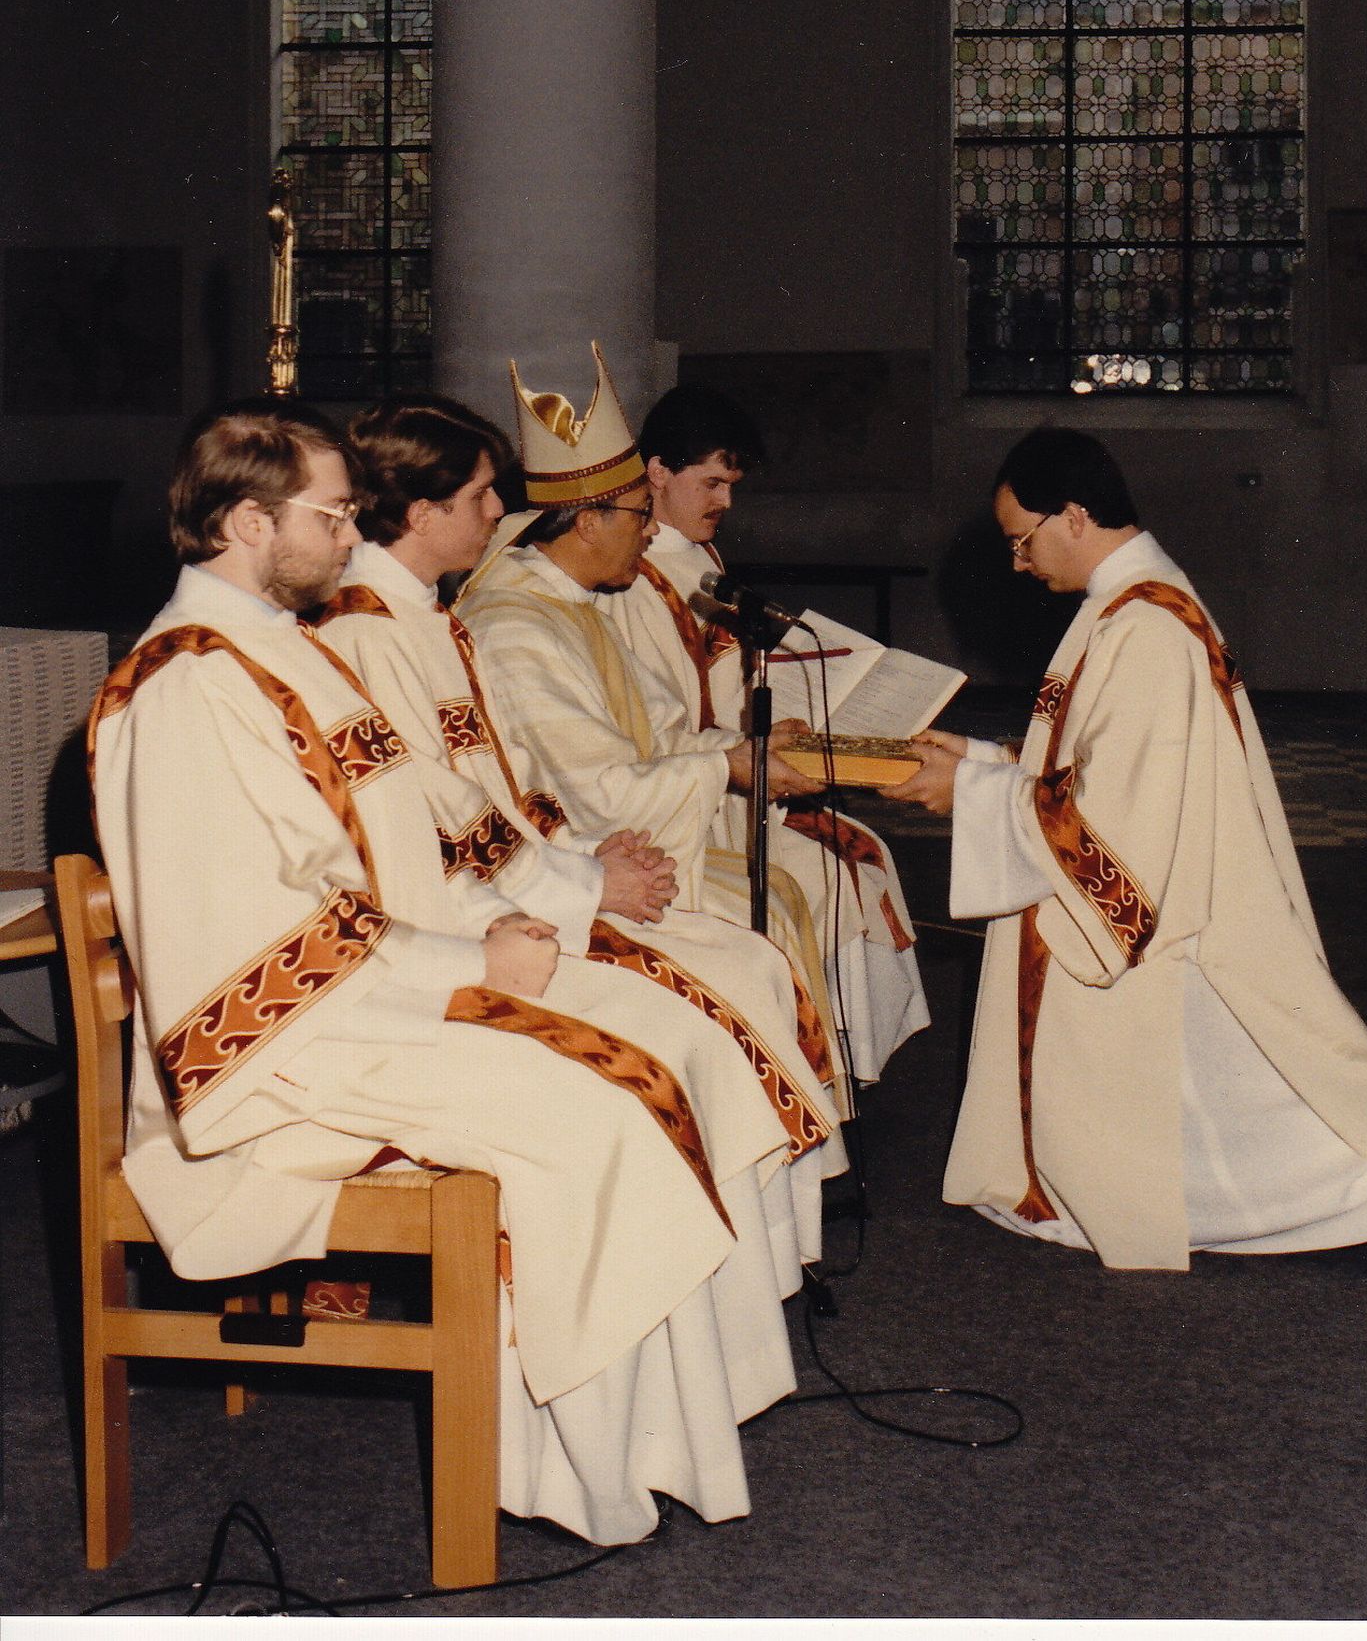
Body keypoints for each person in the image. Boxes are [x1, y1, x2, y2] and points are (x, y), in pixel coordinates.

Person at [89, 399, 805, 1544]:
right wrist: (466, 956)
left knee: (647, 1051)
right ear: (243, 522)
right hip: (276, 1058)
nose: (348, 532)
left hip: (364, 999)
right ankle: (575, 1475)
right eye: (327, 515)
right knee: (598, 1109)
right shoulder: (185, 686)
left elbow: (396, 854)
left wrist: (491, 932)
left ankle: (657, 1439)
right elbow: (254, 933)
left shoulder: (280, 649)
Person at [884, 426, 1367, 1268]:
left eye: (1021, 539)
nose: (1017, 562)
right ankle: (1361, 1193)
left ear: (1073, 515)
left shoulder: (1146, 625)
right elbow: (1091, 769)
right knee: (1225, 1081)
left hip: (1166, 913)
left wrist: (971, 797)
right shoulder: (1124, 606)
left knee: (1228, 1077)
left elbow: (1113, 813)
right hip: (1176, 886)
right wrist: (979, 761)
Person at [321, 389, 834, 1283]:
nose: (503, 513)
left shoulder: (432, 619)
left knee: (745, 964)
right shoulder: (372, 635)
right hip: (458, 933)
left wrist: (587, 863)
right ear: (421, 511)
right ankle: (699, 1283)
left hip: (526, 884)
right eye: (483, 495)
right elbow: (433, 834)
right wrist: (585, 884)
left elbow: (509, 789)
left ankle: (753, 1278)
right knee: (703, 1001)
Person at [452, 345, 849, 1235]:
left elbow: (652, 738)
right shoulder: (518, 625)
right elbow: (596, 794)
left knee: (774, 910)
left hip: (618, 843)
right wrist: (730, 765)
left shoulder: (580, 598)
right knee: (760, 934)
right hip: (575, 869)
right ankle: (749, 1207)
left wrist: (735, 749)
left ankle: (773, 1204)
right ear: (587, 519)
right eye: (638, 514)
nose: (654, 534)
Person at [600, 382, 928, 1086]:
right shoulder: (632, 578)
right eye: (711, 481)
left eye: (732, 484)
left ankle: (843, 1068)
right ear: (656, 470)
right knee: (833, 873)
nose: (725, 500)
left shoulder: (696, 557)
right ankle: (817, 1071)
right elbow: (658, 713)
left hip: (739, 764)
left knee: (864, 854)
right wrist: (749, 731)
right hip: (691, 798)